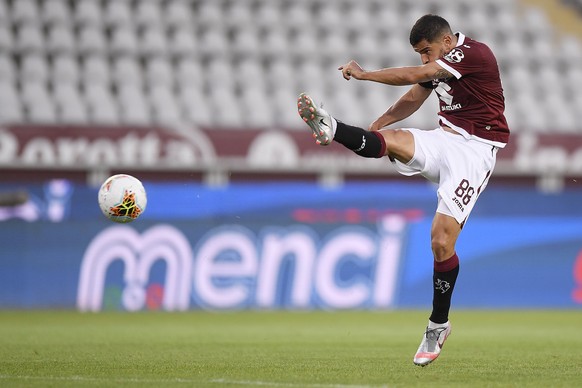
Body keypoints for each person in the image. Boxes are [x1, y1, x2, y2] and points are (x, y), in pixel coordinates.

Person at [297, 14, 509, 366]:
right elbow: (414, 96)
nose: (425, 59)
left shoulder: (475, 53)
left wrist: (364, 74)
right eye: (421, 54)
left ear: (445, 41)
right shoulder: (440, 63)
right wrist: (382, 122)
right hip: (444, 140)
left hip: (476, 150)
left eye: (427, 51)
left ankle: (437, 326)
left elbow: (417, 75)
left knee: (441, 241)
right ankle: (332, 127)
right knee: (390, 140)